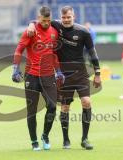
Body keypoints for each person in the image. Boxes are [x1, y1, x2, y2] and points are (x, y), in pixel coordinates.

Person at [27, 6, 101, 150]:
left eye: (69, 17)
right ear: (61, 18)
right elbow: (40, 20)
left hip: (80, 73)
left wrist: (98, 73)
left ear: (74, 16)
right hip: (63, 75)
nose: (66, 20)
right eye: (64, 17)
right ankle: (66, 139)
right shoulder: (56, 25)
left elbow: (93, 53)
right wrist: (30, 23)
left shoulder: (83, 32)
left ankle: (85, 139)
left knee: (86, 102)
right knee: (65, 107)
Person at [12, 6, 65, 151]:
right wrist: (15, 69)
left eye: (48, 20)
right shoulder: (31, 31)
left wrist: (58, 71)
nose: (46, 23)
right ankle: (34, 141)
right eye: (43, 20)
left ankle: (45, 135)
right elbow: (19, 49)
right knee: (32, 110)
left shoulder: (54, 31)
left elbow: (53, 54)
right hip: (32, 75)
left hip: (48, 75)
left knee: (53, 106)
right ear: (38, 18)